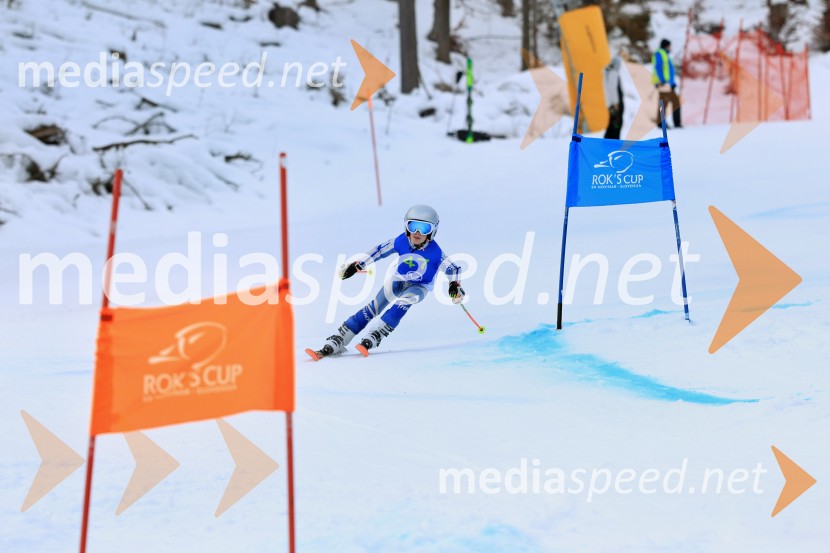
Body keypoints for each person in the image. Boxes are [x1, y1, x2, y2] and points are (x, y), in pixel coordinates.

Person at [306, 205, 464, 359]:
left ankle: (377, 333)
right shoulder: (401, 241)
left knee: (403, 302)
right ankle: (341, 337)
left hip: (420, 286)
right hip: (399, 279)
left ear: (433, 231)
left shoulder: (435, 252)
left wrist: (454, 285)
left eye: (424, 228)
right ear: (406, 226)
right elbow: (380, 250)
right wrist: (358, 265)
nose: (417, 232)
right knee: (375, 306)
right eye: (413, 226)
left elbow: (453, 269)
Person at [652, 39, 682, 128]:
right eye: (669, 46)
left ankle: (676, 123)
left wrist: (672, 83)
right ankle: (661, 123)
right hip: (663, 83)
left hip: (668, 84)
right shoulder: (659, 54)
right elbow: (658, 68)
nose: (670, 48)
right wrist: (662, 80)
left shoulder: (665, 54)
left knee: (674, 102)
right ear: (666, 46)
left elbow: (668, 71)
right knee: (664, 102)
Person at [603, 56, 624, 139]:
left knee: (613, 122)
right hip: (615, 103)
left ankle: (609, 140)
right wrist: (615, 103)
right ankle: (614, 141)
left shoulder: (608, 73)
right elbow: (612, 89)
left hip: (611, 103)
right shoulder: (613, 73)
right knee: (616, 123)